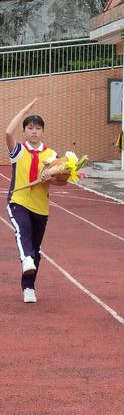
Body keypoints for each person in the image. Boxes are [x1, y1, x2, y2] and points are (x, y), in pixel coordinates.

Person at [5, 99, 66, 303]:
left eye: (37, 128)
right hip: (19, 200)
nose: (34, 131)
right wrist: (24, 111)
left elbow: (61, 182)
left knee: (36, 249)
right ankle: (26, 259)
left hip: (41, 206)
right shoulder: (18, 151)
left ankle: (29, 287)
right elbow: (7, 133)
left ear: (42, 131)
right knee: (23, 234)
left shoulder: (51, 155)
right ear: (24, 130)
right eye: (30, 128)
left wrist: (52, 178)